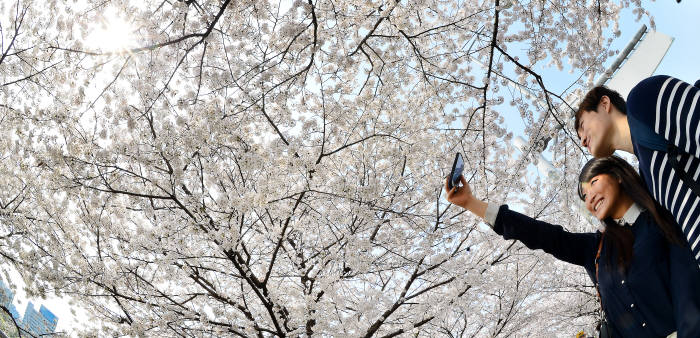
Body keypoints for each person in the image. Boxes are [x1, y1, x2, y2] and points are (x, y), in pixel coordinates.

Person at [445, 156, 700, 337]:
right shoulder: (597, 250)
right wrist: (471, 203)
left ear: (618, 176)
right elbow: (542, 235)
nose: (590, 199)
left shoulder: (664, 216)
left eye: (594, 184)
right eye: (584, 197)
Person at [575, 76, 700, 267]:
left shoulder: (645, 97)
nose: (583, 141)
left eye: (583, 127)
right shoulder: (647, 174)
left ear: (605, 103)